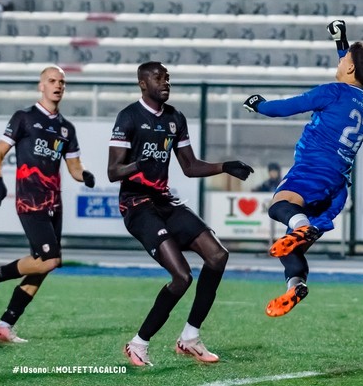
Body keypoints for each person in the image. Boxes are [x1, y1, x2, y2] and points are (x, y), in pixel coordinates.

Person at [108, 62, 254, 367]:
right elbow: (113, 172)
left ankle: (189, 338)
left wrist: (224, 166)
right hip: (137, 205)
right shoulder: (129, 117)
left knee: (217, 256)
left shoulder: (175, 118)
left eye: (167, 78)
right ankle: (138, 344)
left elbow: (189, 166)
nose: (165, 82)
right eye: (158, 78)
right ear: (142, 83)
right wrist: (138, 164)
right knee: (182, 276)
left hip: (164, 202)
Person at [243, 20, 363, 318]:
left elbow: (286, 107)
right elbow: (352, 70)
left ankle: (300, 227)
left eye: (344, 59)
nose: (341, 60)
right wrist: (341, 44)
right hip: (337, 186)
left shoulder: (331, 91)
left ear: (349, 69)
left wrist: (259, 104)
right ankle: (295, 286)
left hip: (314, 170)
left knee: (279, 205)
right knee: (292, 247)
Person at [0, 66, 96, 343]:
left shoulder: (67, 128)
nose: (57, 86)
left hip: (55, 203)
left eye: (62, 82)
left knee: (43, 266)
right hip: (30, 201)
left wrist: (84, 174)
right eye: (52, 81)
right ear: (41, 86)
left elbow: (74, 165)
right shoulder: (24, 118)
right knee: (49, 260)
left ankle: (5, 325)